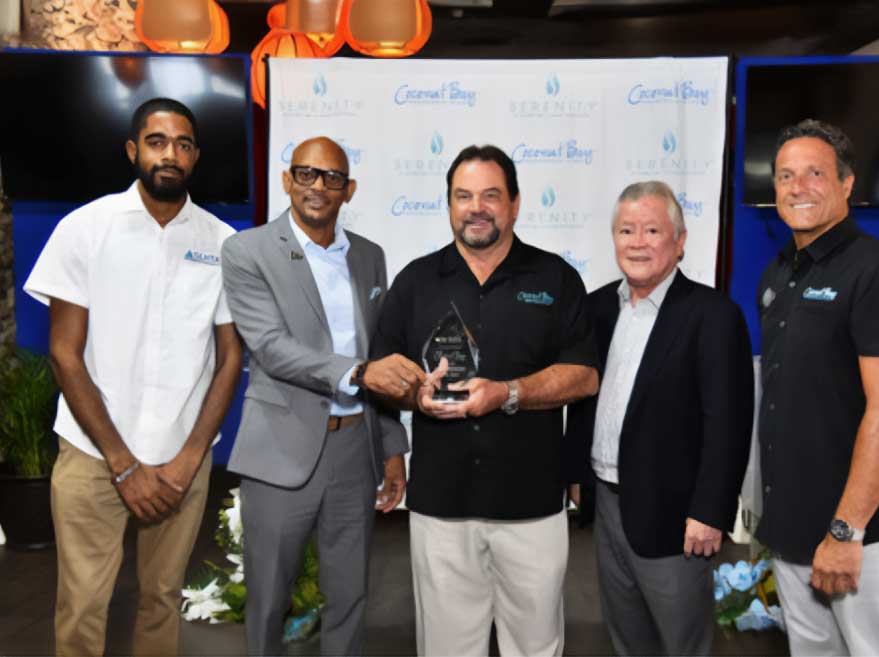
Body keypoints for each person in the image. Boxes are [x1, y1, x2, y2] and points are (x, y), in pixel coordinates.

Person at [23, 97, 243, 656]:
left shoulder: (223, 243)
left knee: (162, 601)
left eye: (184, 144)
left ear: (195, 156)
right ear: (132, 150)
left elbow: (230, 359)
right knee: (82, 607)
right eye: (157, 141)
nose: (171, 154)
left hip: (181, 463)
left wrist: (192, 457)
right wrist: (122, 465)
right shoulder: (85, 229)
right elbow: (64, 354)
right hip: (94, 458)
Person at [370, 144, 599, 656]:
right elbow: (383, 373)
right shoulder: (416, 281)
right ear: (448, 204)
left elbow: (584, 377)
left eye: (491, 195)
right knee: (448, 648)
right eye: (463, 196)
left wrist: (508, 393)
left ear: (515, 203)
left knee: (535, 646)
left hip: (533, 506)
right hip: (441, 506)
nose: (477, 207)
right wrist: (416, 394)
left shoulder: (555, 278)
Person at [220, 137, 423, 656]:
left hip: (355, 449)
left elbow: (379, 350)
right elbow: (270, 348)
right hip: (281, 448)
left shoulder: (371, 257)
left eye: (332, 177)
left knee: (350, 594)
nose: (318, 187)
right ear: (287, 180)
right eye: (306, 174)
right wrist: (359, 372)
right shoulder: (247, 252)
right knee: (267, 599)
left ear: (348, 189)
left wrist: (392, 445)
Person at [756, 119, 879, 656]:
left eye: (814, 173)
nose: (797, 187)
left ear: (847, 183)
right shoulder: (779, 273)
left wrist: (846, 530)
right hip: (791, 526)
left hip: (856, 533)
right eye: (785, 176)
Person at [564, 181, 753, 656]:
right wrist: (576, 475)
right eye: (626, 230)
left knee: (682, 643)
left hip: (677, 517)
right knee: (626, 638)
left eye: (652, 229)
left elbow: (727, 424)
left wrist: (709, 513)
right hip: (607, 505)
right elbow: (583, 398)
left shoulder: (713, 316)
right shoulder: (596, 307)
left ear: (680, 240)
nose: (638, 241)